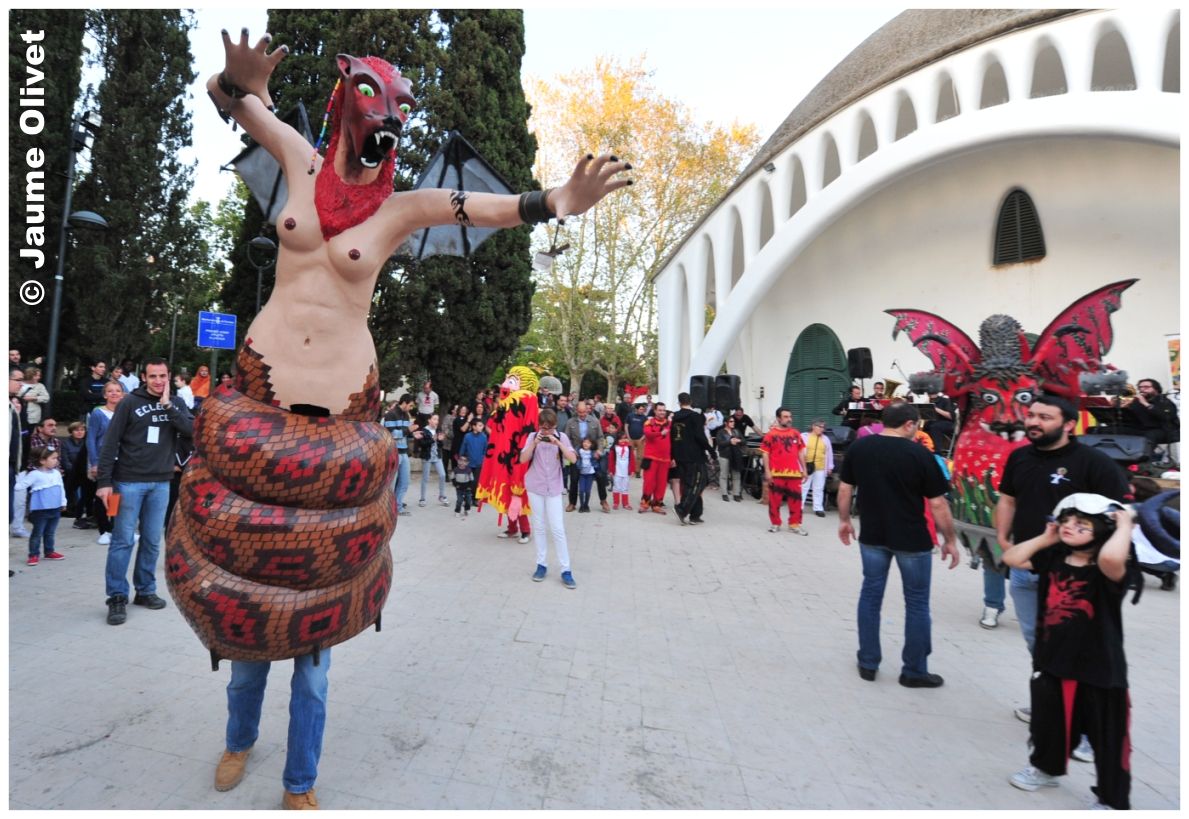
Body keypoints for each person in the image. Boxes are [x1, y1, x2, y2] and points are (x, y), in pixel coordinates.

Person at [197, 32, 627, 808]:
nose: (384, 117)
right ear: (344, 102)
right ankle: (237, 740)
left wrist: (559, 200)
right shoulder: (295, 157)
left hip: (340, 416)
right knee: (249, 634)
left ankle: (300, 780)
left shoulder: (401, 210)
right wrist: (238, 77)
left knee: (315, 645)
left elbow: (487, 208)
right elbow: (232, 104)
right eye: (371, 98)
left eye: (396, 107)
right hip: (258, 395)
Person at [994, 393, 1128, 757]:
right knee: (1038, 645)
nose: (1033, 421)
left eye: (1044, 417)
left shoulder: (1094, 463)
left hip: (1076, 577)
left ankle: (1084, 729)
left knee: (1078, 650)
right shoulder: (1019, 457)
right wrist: (1004, 538)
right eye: (1032, 415)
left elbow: (1118, 516)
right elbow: (1007, 499)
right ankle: (1050, 705)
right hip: (1026, 569)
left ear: (1069, 424)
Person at [1002, 495, 1134, 810]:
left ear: (1102, 529)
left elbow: (1112, 560)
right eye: (1067, 522)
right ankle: (1046, 769)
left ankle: (1111, 798)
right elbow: (1013, 559)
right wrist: (1046, 537)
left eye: (1082, 524)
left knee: (1107, 735)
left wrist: (1125, 524)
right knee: (1048, 723)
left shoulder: (1109, 567)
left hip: (1099, 667)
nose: (1070, 528)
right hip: (1052, 661)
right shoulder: (1054, 557)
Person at [837, 402, 959, 687]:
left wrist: (844, 520)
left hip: (872, 536)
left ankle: (868, 663)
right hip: (912, 540)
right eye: (916, 424)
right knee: (917, 604)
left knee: (870, 596)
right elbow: (938, 503)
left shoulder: (860, 448)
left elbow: (845, 488)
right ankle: (914, 671)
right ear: (908, 424)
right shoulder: (920, 454)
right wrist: (950, 540)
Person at [96, 358, 193, 626]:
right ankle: (116, 596)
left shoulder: (177, 402)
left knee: (152, 540)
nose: (158, 381)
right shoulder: (129, 402)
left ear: (169, 376)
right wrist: (104, 482)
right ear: (144, 377)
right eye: (153, 376)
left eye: (163, 375)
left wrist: (168, 407)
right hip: (128, 482)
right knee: (123, 540)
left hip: (161, 483)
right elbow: (110, 443)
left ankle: (145, 590)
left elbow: (192, 431)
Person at [520, 408, 578, 588]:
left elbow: (573, 459)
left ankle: (566, 569)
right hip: (535, 486)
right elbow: (522, 459)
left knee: (557, 528)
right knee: (539, 526)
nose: (546, 432)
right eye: (543, 428)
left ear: (555, 426)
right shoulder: (532, 437)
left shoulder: (561, 436)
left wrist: (558, 443)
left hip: (554, 487)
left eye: (550, 428)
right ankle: (541, 564)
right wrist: (535, 443)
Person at [86, 380, 125, 546]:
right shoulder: (98, 414)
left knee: (117, 495)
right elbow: (91, 439)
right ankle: (103, 530)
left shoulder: (124, 413)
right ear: (105, 394)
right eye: (110, 391)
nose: (114, 393)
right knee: (102, 494)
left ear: (123, 394)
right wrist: (94, 462)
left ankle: (115, 529)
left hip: (122, 461)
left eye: (117, 390)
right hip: (103, 460)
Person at [760, 408, 810, 534]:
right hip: (776, 473)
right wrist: (767, 471)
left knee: (796, 500)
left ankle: (795, 524)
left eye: (790, 416)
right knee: (774, 500)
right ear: (778, 418)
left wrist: (804, 469)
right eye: (786, 417)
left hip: (794, 473)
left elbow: (800, 452)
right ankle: (775, 523)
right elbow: (765, 454)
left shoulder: (795, 433)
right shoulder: (770, 435)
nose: (789, 419)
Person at [16, 446, 68, 566]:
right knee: (37, 533)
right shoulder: (34, 474)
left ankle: (49, 551)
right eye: (53, 458)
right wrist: (15, 480)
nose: (57, 460)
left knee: (50, 532)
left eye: (57, 458)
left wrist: (63, 502)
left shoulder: (56, 473)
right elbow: (20, 486)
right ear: (42, 460)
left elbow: (61, 488)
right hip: (40, 509)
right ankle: (33, 554)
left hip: (55, 508)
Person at [671, 392, 714, 525]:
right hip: (694, 456)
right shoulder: (694, 416)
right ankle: (682, 509)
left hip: (680, 455)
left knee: (696, 482)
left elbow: (673, 438)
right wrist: (711, 450)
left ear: (679, 403)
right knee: (696, 483)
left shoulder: (675, 417)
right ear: (691, 401)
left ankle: (696, 514)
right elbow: (700, 437)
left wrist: (673, 455)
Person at [564, 400, 609, 512]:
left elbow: (600, 437)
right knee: (574, 479)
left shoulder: (594, 421)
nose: (582, 414)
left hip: (592, 455)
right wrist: (571, 451)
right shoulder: (570, 422)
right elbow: (566, 439)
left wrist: (599, 450)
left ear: (588, 410)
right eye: (580, 412)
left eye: (584, 412)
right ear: (576, 411)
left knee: (600, 477)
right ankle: (572, 503)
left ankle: (603, 501)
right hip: (577, 455)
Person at [1120, 377, 1179, 453]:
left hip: (1163, 430)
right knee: (1112, 430)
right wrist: (1123, 408)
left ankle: (1143, 460)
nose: (1142, 389)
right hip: (1141, 429)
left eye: (1146, 387)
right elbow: (1129, 419)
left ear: (1156, 389)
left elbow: (1165, 416)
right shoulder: (1136, 401)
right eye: (1140, 387)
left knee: (1150, 435)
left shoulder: (1164, 401)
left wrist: (1145, 404)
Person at [383, 394, 417, 516]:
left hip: (404, 453)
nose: (411, 408)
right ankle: (387, 508)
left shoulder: (406, 416)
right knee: (391, 483)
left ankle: (397, 506)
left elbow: (404, 434)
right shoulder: (390, 414)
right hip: (393, 453)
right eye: (411, 405)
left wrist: (413, 434)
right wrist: (409, 430)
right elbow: (392, 435)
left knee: (405, 481)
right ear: (405, 402)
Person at [640, 403, 673, 514]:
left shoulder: (670, 424)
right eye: (660, 410)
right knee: (649, 482)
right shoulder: (649, 422)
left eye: (664, 410)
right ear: (655, 411)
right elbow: (648, 434)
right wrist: (660, 433)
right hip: (651, 457)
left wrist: (673, 457)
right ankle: (645, 504)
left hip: (665, 459)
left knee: (662, 483)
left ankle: (657, 505)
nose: (662, 412)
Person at [801, 419, 835, 518]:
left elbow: (829, 454)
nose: (822, 429)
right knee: (804, 487)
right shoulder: (803, 436)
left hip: (820, 467)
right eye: (819, 426)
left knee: (818, 488)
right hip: (806, 466)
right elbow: (798, 452)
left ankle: (818, 508)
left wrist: (830, 466)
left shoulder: (826, 439)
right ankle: (799, 507)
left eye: (823, 427)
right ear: (813, 426)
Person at [416, 413, 448, 507]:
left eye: (437, 420)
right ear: (429, 420)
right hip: (427, 457)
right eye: (434, 419)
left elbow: (440, 446)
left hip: (437, 456)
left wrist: (440, 440)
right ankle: (422, 498)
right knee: (425, 478)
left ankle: (442, 496)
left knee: (443, 475)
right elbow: (422, 444)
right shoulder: (424, 430)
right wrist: (433, 440)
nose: (436, 422)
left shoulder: (438, 430)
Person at [61, 421, 89, 521]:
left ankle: (84, 509)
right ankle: (74, 508)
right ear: (71, 431)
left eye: (82, 430)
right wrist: (74, 471)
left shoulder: (87, 442)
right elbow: (65, 461)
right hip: (71, 472)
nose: (80, 432)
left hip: (84, 471)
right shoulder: (65, 444)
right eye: (76, 430)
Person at [716, 415, 746, 502]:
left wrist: (738, 440)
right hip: (725, 455)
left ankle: (736, 494)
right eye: (731, 421)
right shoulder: (721, 432)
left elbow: (744, 441)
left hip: (735, 456)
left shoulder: (736, 431)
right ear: (726, 423)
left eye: (733, 421)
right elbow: (719, 443)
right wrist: (730, 441)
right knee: (724, 475)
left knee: (736, 475)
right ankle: (724, 493)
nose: (733, 423)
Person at [609, 430, 635, 510]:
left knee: (625, 487)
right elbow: (611, 460)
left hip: (626, 471)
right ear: (617, 440)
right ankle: (616, 503)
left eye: (625, 438)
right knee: (616, 487)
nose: (623, 440)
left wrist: (632, 470)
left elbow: (632, 459)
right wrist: (611, 470)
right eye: (621, 439)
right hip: (617, 471)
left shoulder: (629, 448)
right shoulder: (614, 448)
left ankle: (625, 503)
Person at [575, 437, 598, 512]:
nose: (586, 444)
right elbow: (574, 452)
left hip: (590, 474)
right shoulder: (579, 451)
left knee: (588, 491)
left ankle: (586, 505)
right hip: (582, 474)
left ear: (591, 444)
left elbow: (601, 454)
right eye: (584, 442)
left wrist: (597, 456)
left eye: (588, 442)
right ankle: (581, 506)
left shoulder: (592, 452)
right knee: (581, 490)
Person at [626, 400, 648, 478]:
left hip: (640, 439)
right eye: (640, 409)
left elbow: (647, 428)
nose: (642, 411)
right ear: (636, 409)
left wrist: (643, 437)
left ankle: (637, 471)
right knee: (630, 456)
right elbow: (626, 426)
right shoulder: (630, 416)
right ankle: (629, 470)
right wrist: (628, 437)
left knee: (640, 457)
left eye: (643, 409)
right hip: (631, 438)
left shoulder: (644, 418)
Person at [452, 454, 475, 518]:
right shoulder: (455, 470)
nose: (462, 462)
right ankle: (457, 511)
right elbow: (453, 478)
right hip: (459, 488)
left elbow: (472, 479)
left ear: (467, 463)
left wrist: (470, 487)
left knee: (468, 500)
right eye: (461, 460)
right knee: (459, 500)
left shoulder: (469, 470)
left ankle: (467, 509)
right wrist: (455, 485)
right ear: (458, 461)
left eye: (464, 461)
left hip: (467, 488)